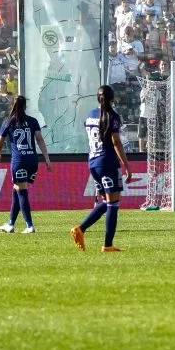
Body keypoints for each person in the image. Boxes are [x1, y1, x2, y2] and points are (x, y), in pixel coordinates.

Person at [71, 86, 131, 252]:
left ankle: (81, 230)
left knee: (107, 201)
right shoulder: (112, 116)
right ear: (112, 99)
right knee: (113, 204)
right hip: (107, 162)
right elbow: (116, 142)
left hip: (93, 162)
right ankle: (107, 244)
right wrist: (126, 165)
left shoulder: (90, 115)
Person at [0, 96, 52, 234]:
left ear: (11, 106)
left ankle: (29, 225)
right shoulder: (33, 121)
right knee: (17, 190)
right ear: (25, 106)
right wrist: (47, 159)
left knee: (22, 191)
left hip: (19, 161)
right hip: (32, 160)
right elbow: (40, 140)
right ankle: (10, 224)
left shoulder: (8, 122)